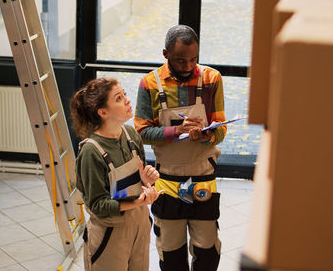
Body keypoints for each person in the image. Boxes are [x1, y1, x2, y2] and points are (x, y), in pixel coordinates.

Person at [134, 24, 227, 271]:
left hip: (203, 178)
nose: (188, 66)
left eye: (193, 59)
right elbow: (142, 132)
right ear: (165, 54)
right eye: (180, 60)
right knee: (171, 251)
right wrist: (176, 130)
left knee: (207, 250)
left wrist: (205, 135)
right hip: (167, 180)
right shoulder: (150, 84)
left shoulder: (211, 79)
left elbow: (221, 131)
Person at [70, 77, 163, 271]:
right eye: (119, 98)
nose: (127, 100)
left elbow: (136, 181)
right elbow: (98, 204)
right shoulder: (91, 151)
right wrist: (138, 201)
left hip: (139, 225)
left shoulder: (131, 134)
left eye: (125, 95)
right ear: (103, 112)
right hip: (110, 233)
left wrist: (146, 181)